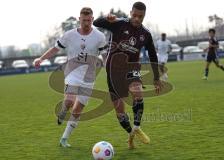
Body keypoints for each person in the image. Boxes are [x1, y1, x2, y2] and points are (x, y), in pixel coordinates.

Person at [34, 7, 106, 147]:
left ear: (92, 19)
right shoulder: (69, 35)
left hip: (89, 77)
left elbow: (104, 55)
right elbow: (55, 49)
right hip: (72, 73)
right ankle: (63, 112)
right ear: (79, 19)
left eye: (89, 20)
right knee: (69, 101)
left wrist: (109, 65)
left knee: (78, 110)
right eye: (84, 20)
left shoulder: (99, 37)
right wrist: (41, 59)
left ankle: (64, 139)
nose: (86, 23)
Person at [93, 1, 162, 149]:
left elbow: (153, 56)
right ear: (130, 13)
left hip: (132, 67)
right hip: (113, 69)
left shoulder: (146, 34)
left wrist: (156, 78)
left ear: (144, 16)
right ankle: (131, 134)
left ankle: (137, 127)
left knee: (138, 92)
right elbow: (96, 22)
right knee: (119, 111)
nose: (137, 19)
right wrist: (107, 17)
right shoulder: (118, 24)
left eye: (140, 16)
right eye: (135, 15)